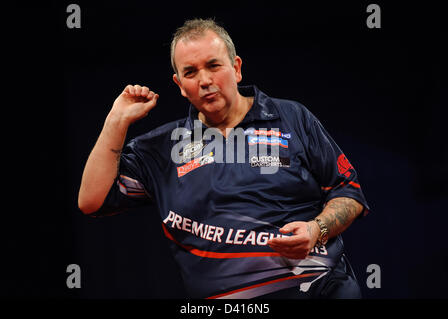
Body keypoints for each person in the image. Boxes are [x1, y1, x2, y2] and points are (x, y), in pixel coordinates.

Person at [78, 18, 370, 299]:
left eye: (213, 65)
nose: (204, 80)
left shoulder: (292, 117)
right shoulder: (161, 149)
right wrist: (116, 121)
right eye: (190, 72)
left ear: (236, 67)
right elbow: (92, 201)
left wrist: (315, 230)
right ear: (179, 84)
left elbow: (350, 194)